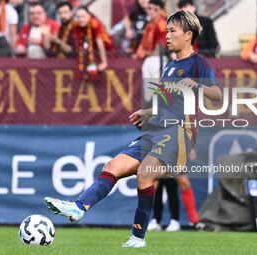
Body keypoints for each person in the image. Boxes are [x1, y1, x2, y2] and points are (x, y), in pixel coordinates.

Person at [45, 10, 222, 248]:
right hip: (157, 129)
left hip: (180, 132)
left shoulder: (199, 63)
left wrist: (197, 85)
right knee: (112, 167)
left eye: (172, 31)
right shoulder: (169, 66)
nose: (167, 36)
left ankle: (138, 237)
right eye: (167, 31)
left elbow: (218, 95)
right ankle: (78, 208)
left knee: (144, 174)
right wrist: (148, 112)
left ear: (188, 35)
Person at [136, 0, 167, 105]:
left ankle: (159, 116)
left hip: (158, 60)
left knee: (157, 90)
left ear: (160, 11)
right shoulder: (149, 24)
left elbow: (159, 50)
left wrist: (145, 53)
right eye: (150, 8)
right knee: (148, 93)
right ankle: (151, 116)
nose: (151, 11)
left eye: (155, 9)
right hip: (149, 59)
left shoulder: (162, 24)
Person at [72, 6, 115, 81]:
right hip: (90, 50)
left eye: (83, 16)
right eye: (78, 17)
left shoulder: (95, 23)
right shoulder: (77, 25)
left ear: (89, 16)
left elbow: (100, 44)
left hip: (106, 49)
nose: (81, 19)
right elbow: (79, 44)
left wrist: (104, 62)